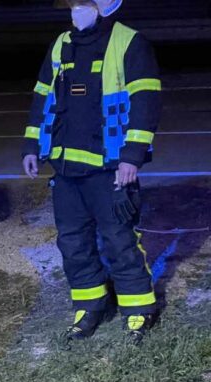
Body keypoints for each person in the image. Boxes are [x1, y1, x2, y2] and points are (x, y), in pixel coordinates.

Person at [22, 0, 161, 344]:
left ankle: (139, 309)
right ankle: (90, 304)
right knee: (72, 241)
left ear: (102, 6)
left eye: (81, 4)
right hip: (66, 167)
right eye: (72, 5)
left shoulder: (129, 41)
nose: (74, 11)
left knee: (120, 239)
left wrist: (132, 156)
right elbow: (43, 96)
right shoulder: (61, 43)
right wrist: (31, 146)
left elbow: (146, 100)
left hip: (110, 168)